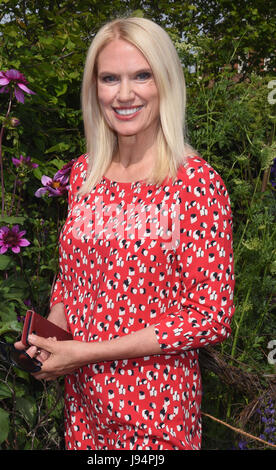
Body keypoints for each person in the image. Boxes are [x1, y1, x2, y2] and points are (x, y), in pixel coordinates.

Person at [16, 17, 235, 450]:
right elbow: (72, 277)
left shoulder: (195, 184)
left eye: (141, 76)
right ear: (94, 88)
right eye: (110, 78)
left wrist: (86, 353)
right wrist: (51, 333)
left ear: (166, 83)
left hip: (155, 414)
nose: (124, 94)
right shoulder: (84, 174)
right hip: (83, 411)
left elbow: (210, 315)